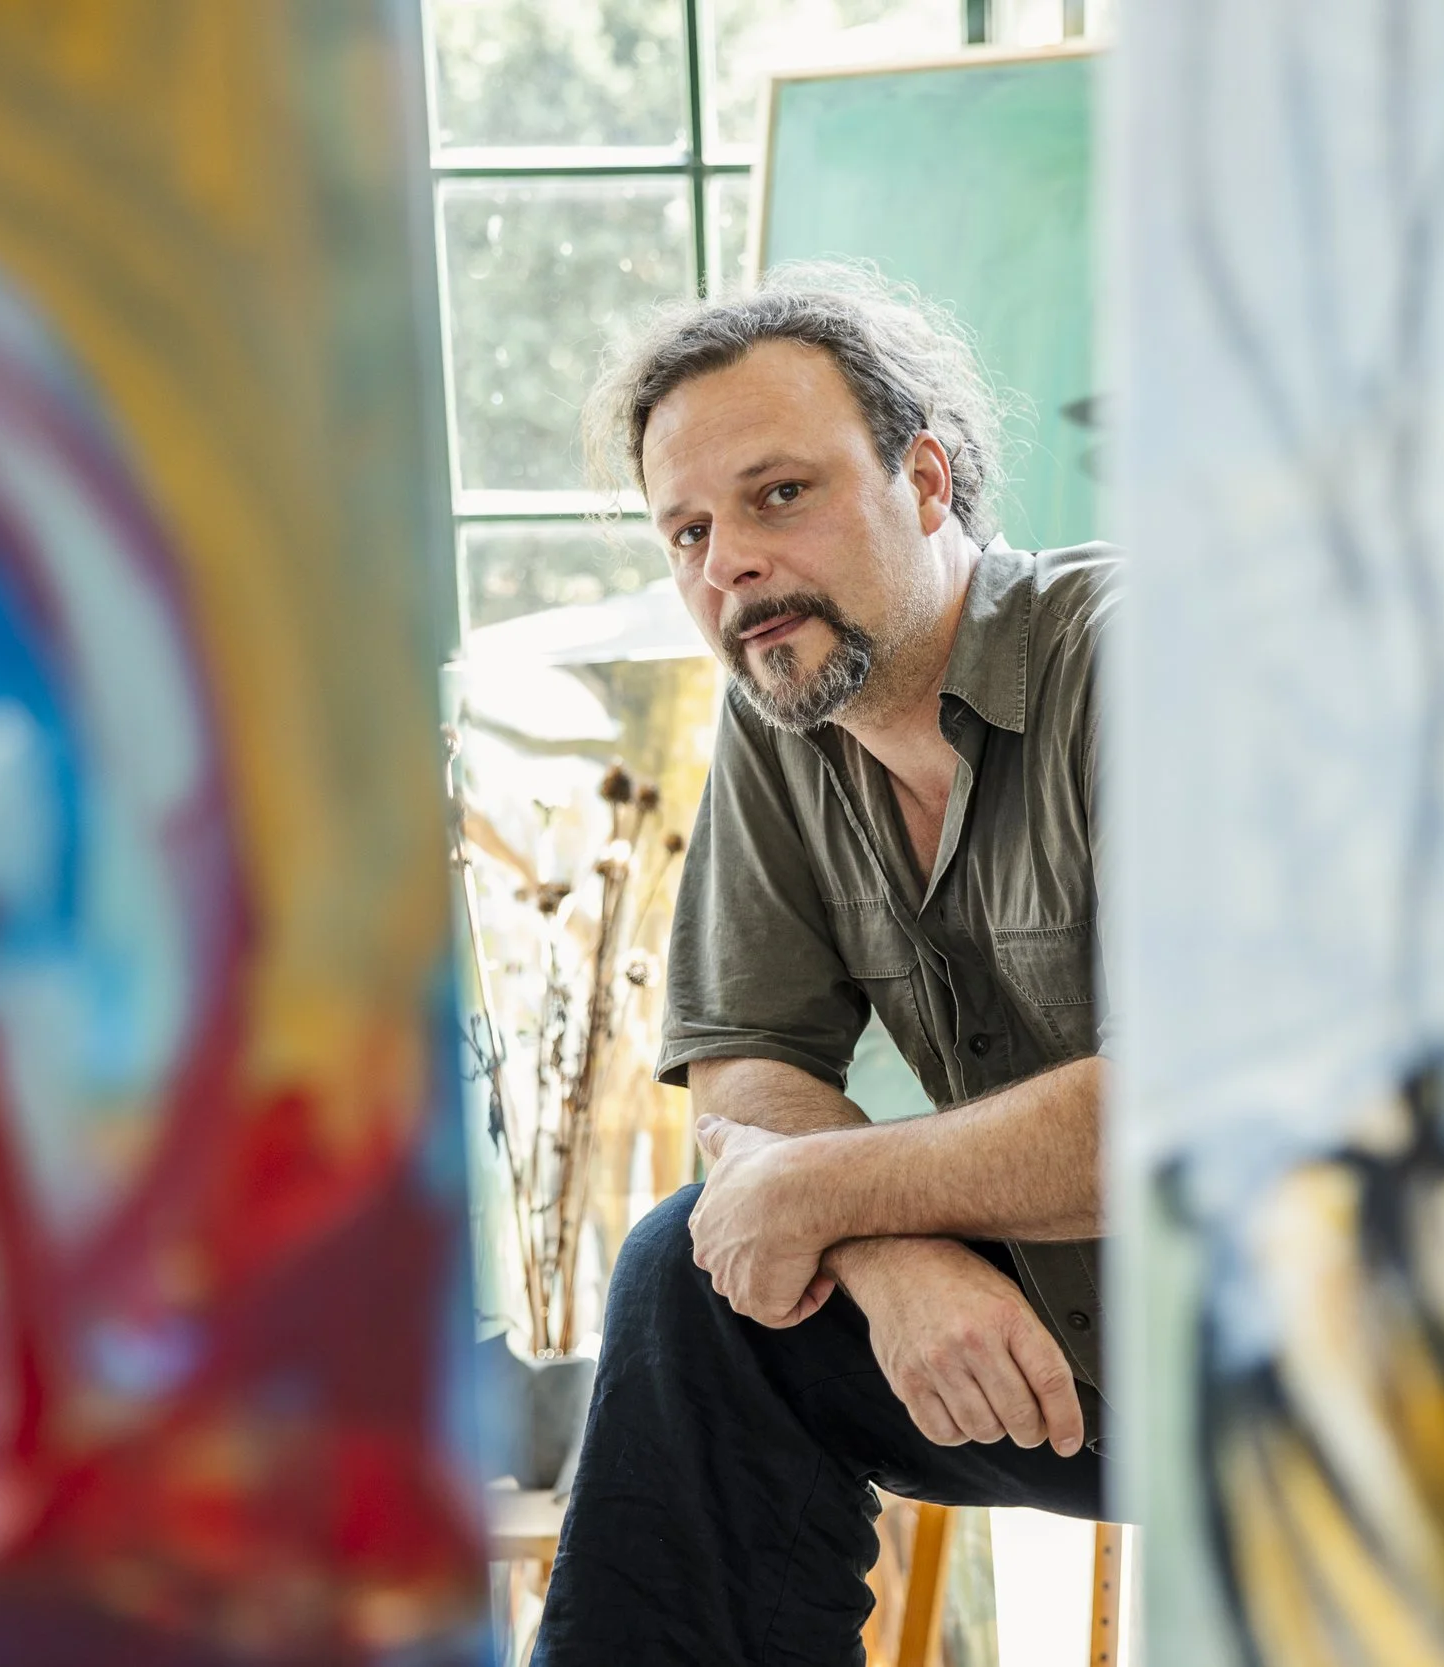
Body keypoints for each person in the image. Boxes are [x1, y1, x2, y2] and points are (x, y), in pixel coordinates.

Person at [532, 268, 1116, 1665]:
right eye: (687, 530)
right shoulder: (783, 716)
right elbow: (745, 1064)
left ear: (926, 480)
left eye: (779, 494)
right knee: (694, 1284)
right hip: (1062, 1360)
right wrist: (886, 1252)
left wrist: (828, 1192)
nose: (725, 563)